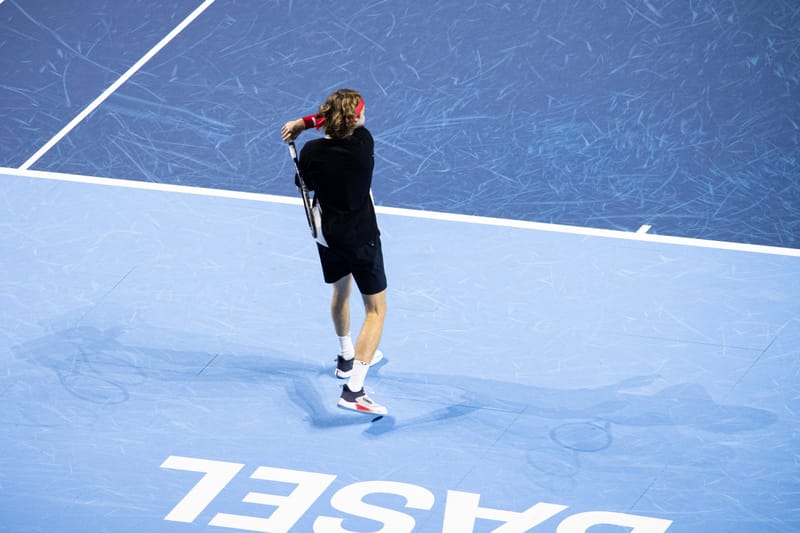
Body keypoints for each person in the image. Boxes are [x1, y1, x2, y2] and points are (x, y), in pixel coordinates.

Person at [281, 89, 388, 415]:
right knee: (376, 311)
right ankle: (353, 389)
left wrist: (302, 124)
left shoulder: (312, 152)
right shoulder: (363, 144)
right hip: (361, 238)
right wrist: (305, 122)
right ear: (355, 120)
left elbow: (304, 184)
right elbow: (338, 120)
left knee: (340, 292)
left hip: (327, 237)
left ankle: (345, 356)